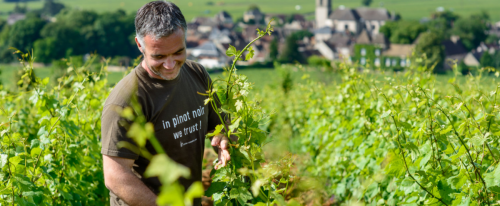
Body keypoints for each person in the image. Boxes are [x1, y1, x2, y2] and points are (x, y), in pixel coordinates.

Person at [100, 1, 230, 205]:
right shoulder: (126, 102)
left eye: (178, 52)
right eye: (159, 56)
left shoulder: (197, 74)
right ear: (139, 45)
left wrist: (223, 141)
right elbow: (115, 176)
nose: (170, 65)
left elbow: (219, 126)